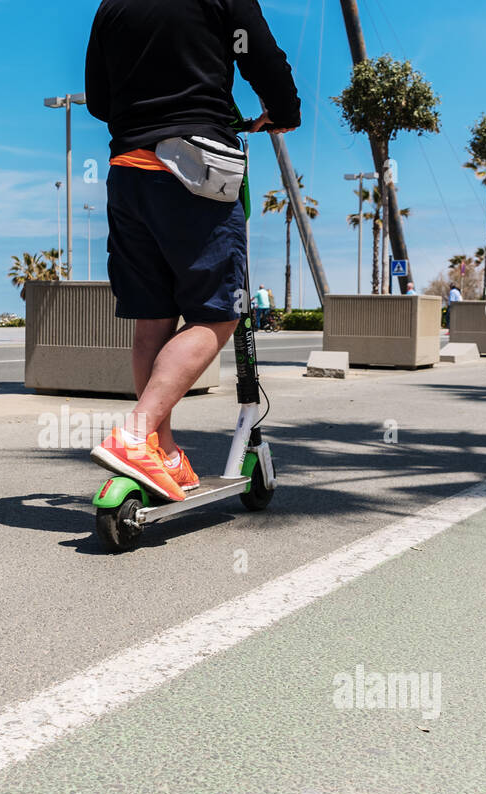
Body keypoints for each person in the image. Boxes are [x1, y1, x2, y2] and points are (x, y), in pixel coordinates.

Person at [85, 0, 300, 502]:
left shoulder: (112, 6)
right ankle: (136, 435)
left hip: (128, 169)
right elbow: (263, 57)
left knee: (153, 318)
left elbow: (98, 97)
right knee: (220, 312)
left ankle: (162, 452)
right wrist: (283, 112)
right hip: (195, 168)